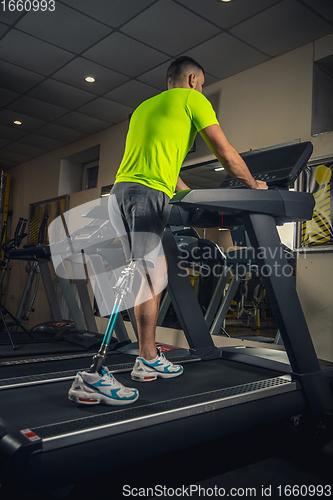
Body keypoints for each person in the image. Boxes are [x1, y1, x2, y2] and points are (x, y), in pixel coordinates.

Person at [68, 56, 267, 406]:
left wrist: (189, 197)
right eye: (202, 84)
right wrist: (254, 185)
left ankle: (146, 358)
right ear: (192, 80)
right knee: (140, 273)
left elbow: (165, 164)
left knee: (152, 271)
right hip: (146, 193)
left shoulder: (146, 107)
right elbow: (225, 151)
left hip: (121, 193)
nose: (201, 90)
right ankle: (94, 373)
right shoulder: (193, 100)